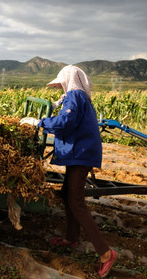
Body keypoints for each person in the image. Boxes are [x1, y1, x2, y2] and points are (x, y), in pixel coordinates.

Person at [20, 65, 117, 278]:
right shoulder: (75, 96)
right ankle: (72, 238)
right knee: (67, 194)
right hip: (80, 151)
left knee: (76, 201)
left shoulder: (75, 95)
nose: (61, 88)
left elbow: (65, 121)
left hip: (81, 153)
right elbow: (65, 112)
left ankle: (106, 253)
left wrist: (39, 123)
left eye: (61, 83)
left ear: (68, 80)